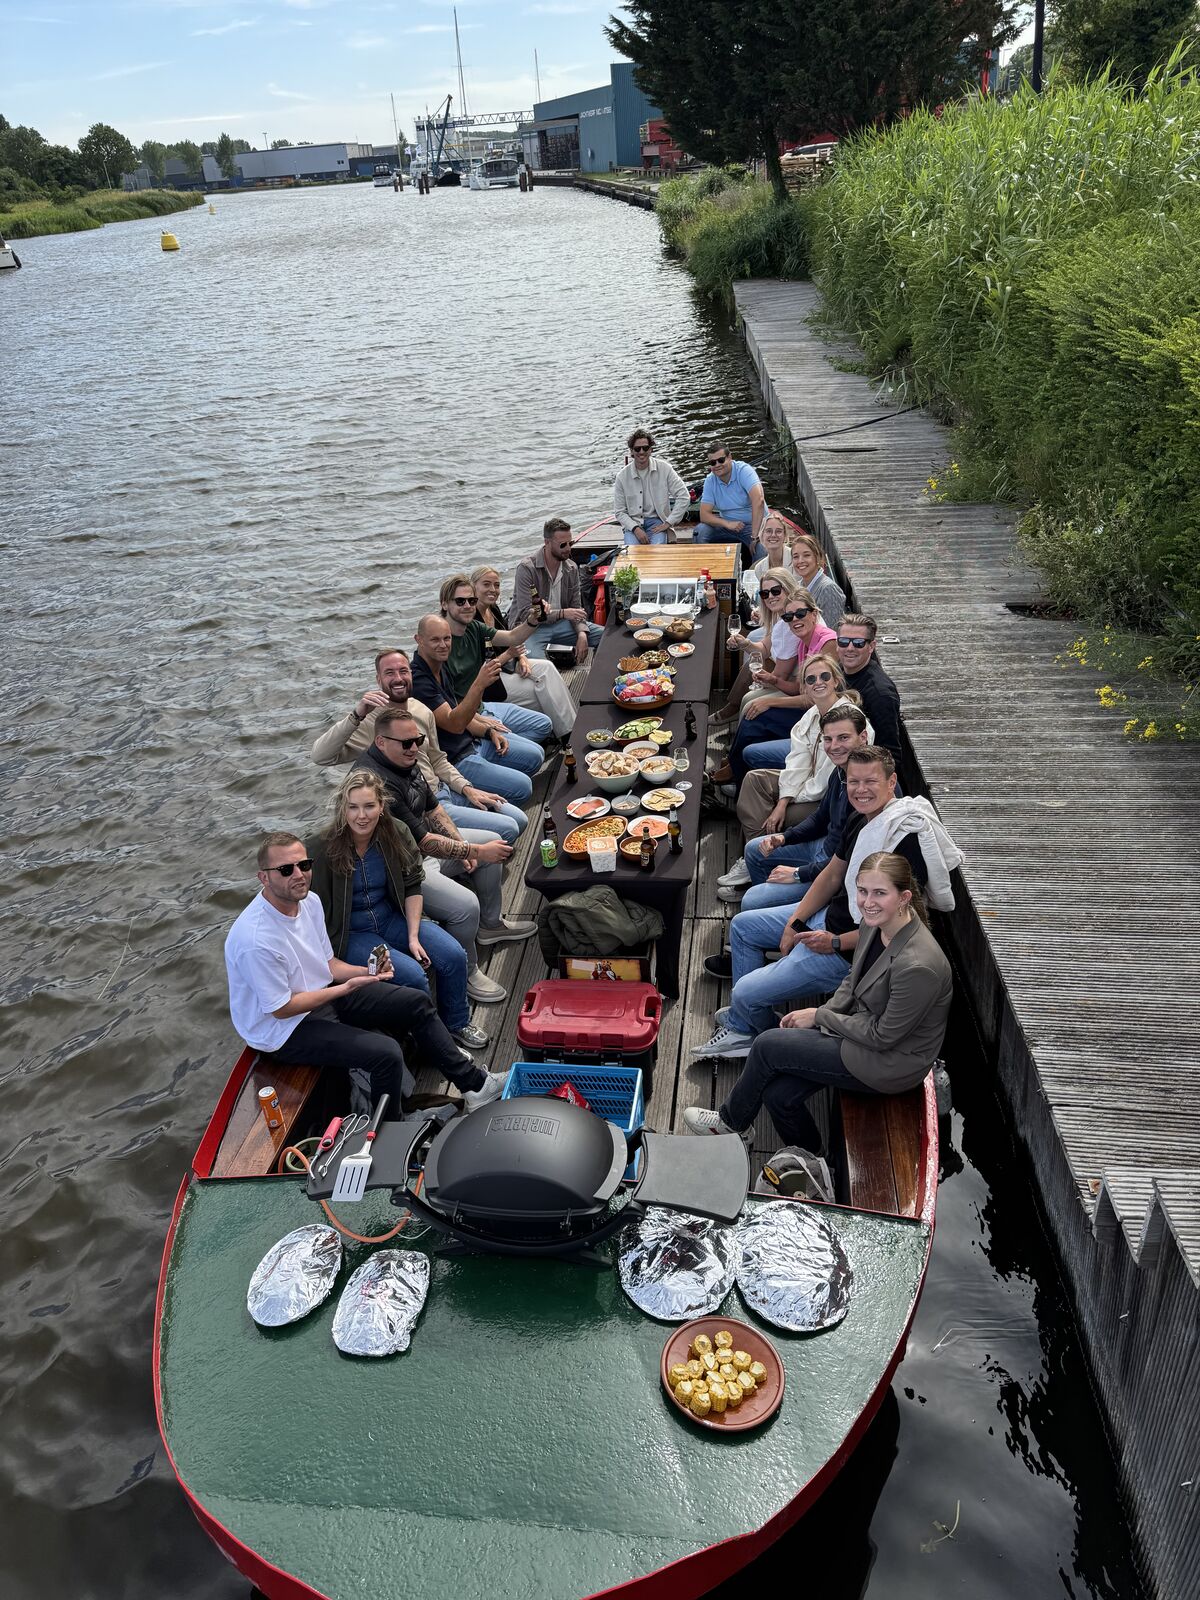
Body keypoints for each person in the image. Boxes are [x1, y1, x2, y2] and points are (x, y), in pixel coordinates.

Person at [693, 746, 959, 1057]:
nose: (860, 790)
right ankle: (747, 1020)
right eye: (853, 782)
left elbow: (898, 930)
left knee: (744, 992)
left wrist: (834, 942)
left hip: (847, 952)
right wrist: (795, 923)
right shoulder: (862, 819)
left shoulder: (904, 842)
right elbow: (832, 875)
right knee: (742, 927)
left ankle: (750, 1026)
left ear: (892, 782)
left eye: (870, 781)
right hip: (830, 918)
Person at [223, 830, 507, 1114]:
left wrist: (368, 973)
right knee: (387, 1054)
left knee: (416, 1002)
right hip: (284, 1030)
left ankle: (476, 1086)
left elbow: (328, 964)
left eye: (304, 865)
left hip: (321, 994)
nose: (299, 875)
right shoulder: (255, 940)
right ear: (264, 878)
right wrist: (346, 988)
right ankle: (389, 1128)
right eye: (286, 870)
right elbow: (282, 1008)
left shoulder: (309, 902)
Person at [684, 853, 953, 1146]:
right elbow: (852, 982)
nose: (868, 902)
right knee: (778, 1096)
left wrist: (819, 1017)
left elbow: (884, 1036)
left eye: (880, 893)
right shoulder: (875, 924)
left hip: (889, 1061)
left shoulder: (918, 966)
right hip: (861, 1031)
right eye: (862, 891)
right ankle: (813, 1159)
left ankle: (731, 1123)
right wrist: (823, 1016)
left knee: (766, 1045)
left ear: (904, 897)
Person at [354, 705, 537, 1004]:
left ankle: (491, 925)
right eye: (406, 743)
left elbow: (434, 809)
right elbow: (424, 841)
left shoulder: (405, 760)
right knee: (465, 905)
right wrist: (472, 850)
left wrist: (460, 843)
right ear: (381, 742)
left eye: (418, 740)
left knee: (492, 840)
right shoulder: (378, 784)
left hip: (421, 851)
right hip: (401, 872)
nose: (414, 748)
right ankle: (468, 970)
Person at [307, 769, 489, 1053]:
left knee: (453, 954)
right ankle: (431, 1041)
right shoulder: (321, 847)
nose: (361, 816)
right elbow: (303, 901)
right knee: (412, 975)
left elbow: (413, 884)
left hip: (392, 918)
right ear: (343, 808)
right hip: (352, 933)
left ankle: (457, 1023)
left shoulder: (397, 832)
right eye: (353, 807)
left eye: (369, 806)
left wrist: (413, 936)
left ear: (381, 806)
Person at [310, 648, 529, 844]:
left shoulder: (421, 709)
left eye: (403, 671)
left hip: (446, 790)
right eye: (389, 673)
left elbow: (437, 759)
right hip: (424, 808)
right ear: (378, 679)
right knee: (509, 829)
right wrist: (356, 715)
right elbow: (321, 756)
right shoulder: (370, 720)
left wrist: (466, 788)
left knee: (519, 819)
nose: (398, 678)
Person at [726, 662, 871, 861]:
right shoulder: (812, 715)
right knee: (754, 780)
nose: (818, 682)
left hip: (827, 799)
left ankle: (759, 854)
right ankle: (758, 851)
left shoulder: (849, 720)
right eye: (810, 679)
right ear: (804, 688)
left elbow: (823, 785)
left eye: (824, 676)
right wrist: (784, 799)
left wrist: (787, 801)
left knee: (771, 811)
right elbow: (798, 761)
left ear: (836, 681)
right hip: (808, 784)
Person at [411, 614, 545, 807]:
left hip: (472, 742)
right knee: (523, 787)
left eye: (447, 638)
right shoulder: (419, 680)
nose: (443, 645)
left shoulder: (439, 665)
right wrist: (479, 684)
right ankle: (480, 800)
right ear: (419, 640)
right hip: (456, 759)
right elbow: (455, 724)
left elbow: (457, 709)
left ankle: (493, 784)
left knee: (535, 755)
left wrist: (488, 731)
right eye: (435, 640)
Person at [714, 587, 839, 788]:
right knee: (753, 714)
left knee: (756, 717)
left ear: (814, 614)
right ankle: (735, 766)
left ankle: (736, 773)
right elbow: (799, 688)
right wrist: (773, 680)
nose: (795, 620)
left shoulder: (827, 643)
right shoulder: (804, 642)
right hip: (808, 709)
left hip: (820, 720)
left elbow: (814, 699)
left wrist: (770, 701)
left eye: (800, 614)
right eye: (789, 617)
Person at [438, 573, 554, 748]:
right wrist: (481, 722)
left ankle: (507, 745)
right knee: (535, 753)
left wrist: (533, 620)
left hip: (482, 706)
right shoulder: (440, 645)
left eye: (472, 601)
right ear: (445, 604)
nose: (468, 606)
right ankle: (500, 746)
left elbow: (513, 637)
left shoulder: (474, 628)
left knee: (544, 725)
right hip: (468, 717)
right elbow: (447, 704)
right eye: (460, 601)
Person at [471, 566, 577, 736]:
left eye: (496, 585)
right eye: (486, 584)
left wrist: (521, 658)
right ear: (473, 586)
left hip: (507, 666)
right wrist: (509, 655)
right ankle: (567, 735)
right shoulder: (471, 619)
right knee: (542, 693)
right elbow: (481, 668)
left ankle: (573, 726)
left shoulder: (492, 610)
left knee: (547, 667)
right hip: (491, 681)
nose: (493, 589)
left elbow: (511, 638)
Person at [712, 567, 805, 726]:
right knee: (753, 663)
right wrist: (745, 644)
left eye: (776, 591)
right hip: (788, 675)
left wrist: (759, 681)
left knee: (749, 698)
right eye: (765, 594)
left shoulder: (791, 622)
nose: (770, 597)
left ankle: (733, 714)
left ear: (788, 588)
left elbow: (780, 677)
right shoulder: (781, 616)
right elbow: (765, 649)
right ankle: (732, 710)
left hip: (797, 685)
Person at [508, 518, 604, 661]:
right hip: (531, 628)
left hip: (562, 625)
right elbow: (524, 613)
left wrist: (582, 633)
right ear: (547, 542)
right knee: (537, 663)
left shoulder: (571, 568)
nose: (568, 549)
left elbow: (576, 608)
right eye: (563, 545)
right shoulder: (527, 569)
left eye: (570, 543)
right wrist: (562, 613)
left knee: (608, 637)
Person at [836, 614, 903, 768]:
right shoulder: (838, 671)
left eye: (858, 643)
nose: (850, 648)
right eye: (844, 641)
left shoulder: (880, 694)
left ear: (871, 646)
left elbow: (891, 753)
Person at [612, 428, 690, 545]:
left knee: (657, 551)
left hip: (657, 522)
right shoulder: (621, 477)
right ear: (631, 451)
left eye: (645, 448)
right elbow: (619, 512)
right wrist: (635, 529)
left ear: (650, 449)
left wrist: (668, 522)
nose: (641, 452)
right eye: (637, 449)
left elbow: (684, 496)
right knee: (632, 552)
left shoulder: (665, 469)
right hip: (633, 524)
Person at [696, 441, 766, 556]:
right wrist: (727, 523)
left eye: (721, 460)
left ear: (730, 457)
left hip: (753, 525)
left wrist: (755, 536)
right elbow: (704, 515)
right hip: (728, 525)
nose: (717, 465)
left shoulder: (744, 471)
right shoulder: (710, 480)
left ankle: (755, 567)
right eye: (713, 462)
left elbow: (759, 500)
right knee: (700, 532)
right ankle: (707, 565)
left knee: (761, 547)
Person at [789, 532, 845, 630]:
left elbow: (831, 631)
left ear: (818, 557)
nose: (800, 561)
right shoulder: (797, 588)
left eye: (806, 555)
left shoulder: (828, 589)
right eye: (796, 557)